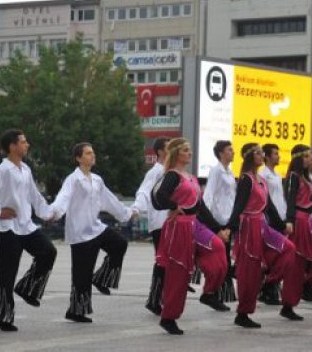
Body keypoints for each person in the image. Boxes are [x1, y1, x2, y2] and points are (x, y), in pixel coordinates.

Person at [0, 129, 58, 332]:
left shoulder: (25, 170)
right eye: (23, 142)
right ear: (13, 147)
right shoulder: (1, 170)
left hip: (26, 226)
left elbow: (35, 196)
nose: (27, 144)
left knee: (48, 251)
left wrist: (47, 213)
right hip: (7, 229)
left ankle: (27, 288)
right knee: (6, 274)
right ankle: (3, 316)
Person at [50, 143, 134, 323]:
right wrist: (53, 212)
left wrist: (125, 213)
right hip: (80, 232)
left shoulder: (97, 180)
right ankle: (76, 311)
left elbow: (110, 200)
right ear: (79, 158)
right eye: (88, 153)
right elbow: (62, 199)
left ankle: (101, 279)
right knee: (82, 274)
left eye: (93, 153)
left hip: (96, 227)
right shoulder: (73, 179)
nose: (92, 155)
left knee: (120, 244)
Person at [152, 138, 230, 335]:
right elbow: (158, 196)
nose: (190, 153)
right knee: (179, 273)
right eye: (186, 150)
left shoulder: (192, 178)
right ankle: (169, 317)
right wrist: (172, 206)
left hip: (196, 224)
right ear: (177, 153)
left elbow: (201, 207)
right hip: (179, 227)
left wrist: (218, 228)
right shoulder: (172, 176)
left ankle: (210, 292)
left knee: (219, 249)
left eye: (189, 150)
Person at [227, 143, 301, 328]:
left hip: (262, 225)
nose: (262, 156)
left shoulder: (260, 179)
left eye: (262, 153)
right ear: (251, 156)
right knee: (249, 270)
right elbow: (238, 206)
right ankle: (243, 313)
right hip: (248, 227)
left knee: (289, 249)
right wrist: (230, 227)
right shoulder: (246, 180)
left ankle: (269, 281)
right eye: (259, 153)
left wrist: (282, 226)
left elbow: (269, 207)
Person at [133, 136, 170, 315]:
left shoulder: (169, 171)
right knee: (162, 262)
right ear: (161, 152)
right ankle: (154, 299)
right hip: (160, 224)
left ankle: (161, 296)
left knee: (168, 262)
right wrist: (136, 208)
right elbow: (144, 191)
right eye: (170, 147)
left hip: (170, 224)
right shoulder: (156, 172)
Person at [284, 144, 312, 304]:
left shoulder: (306, 179)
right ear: (298, 158)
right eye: (306, 156)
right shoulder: (293, 176)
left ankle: (305, 287)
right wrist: (290, 220)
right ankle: (289, 303)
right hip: (298, 221)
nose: (309, 160)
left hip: (307, 221)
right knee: (297, 264)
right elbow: (291, 200)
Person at [201, 140, 237, 302]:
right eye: (229, 150)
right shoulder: (216, 171)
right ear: (221, 153)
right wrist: (205, 217)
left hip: (228, 219)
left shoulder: (229, 172)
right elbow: (208, 194)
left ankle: (225, 293)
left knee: (227, 257)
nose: (233, 152)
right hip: (218, 219)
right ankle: (218, 292)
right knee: (222, 257)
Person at [258, 143, 286, 305]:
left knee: (278, 256)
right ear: (267, 157)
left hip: (280, 219)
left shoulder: (276, 174)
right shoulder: (263, 174)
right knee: (274, 256)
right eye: (275, 154)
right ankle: (268, 288)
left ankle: (271, 288)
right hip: (270, 220)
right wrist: (274, 219)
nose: (278, 156)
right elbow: (266, 200)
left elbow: (280, 199)